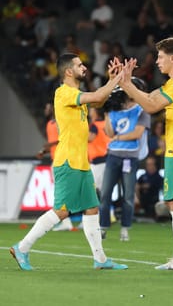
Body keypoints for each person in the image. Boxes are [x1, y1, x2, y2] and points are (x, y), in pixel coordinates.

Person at [10, 52, 128, 271]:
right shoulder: (63, 93)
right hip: (68, 162)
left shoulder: (77, 93)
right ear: (68, 71)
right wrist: (116, 79)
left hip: (81, 163)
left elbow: (100, 99)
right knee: (62, 211)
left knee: (92, 209)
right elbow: (96, 97)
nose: (84, 67)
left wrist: (112, 79)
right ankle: (22, 248)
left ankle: (100, 259)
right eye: (79, 65)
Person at [117, 37, 173, 270]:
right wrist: (124, 82)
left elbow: (151, 106)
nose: (157, 61)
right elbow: (151, 98)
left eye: (161, 57)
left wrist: (127, 84)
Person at [99, 77, 151, 241]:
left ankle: (125, 228)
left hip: (131, 157)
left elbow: (137, 133)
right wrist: (107, 115)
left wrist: (117, 138)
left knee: (128, 196)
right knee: (105, 194)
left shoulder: (142, 110)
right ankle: (103, 226)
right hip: (113, 156)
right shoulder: (115, 108)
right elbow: (108, 132)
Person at [37, 101, 74, 231]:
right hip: (56, 159)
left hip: (63, 160)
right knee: (60, 191)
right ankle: (66, 221)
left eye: (47, 107)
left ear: (53, 108)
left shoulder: (61, 121)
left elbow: (63, 139)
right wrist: (44, 151)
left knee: (62, 192)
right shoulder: (49, 124)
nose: (45, 110)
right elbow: (54, 143)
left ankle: (66, 221)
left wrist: (50, 145)